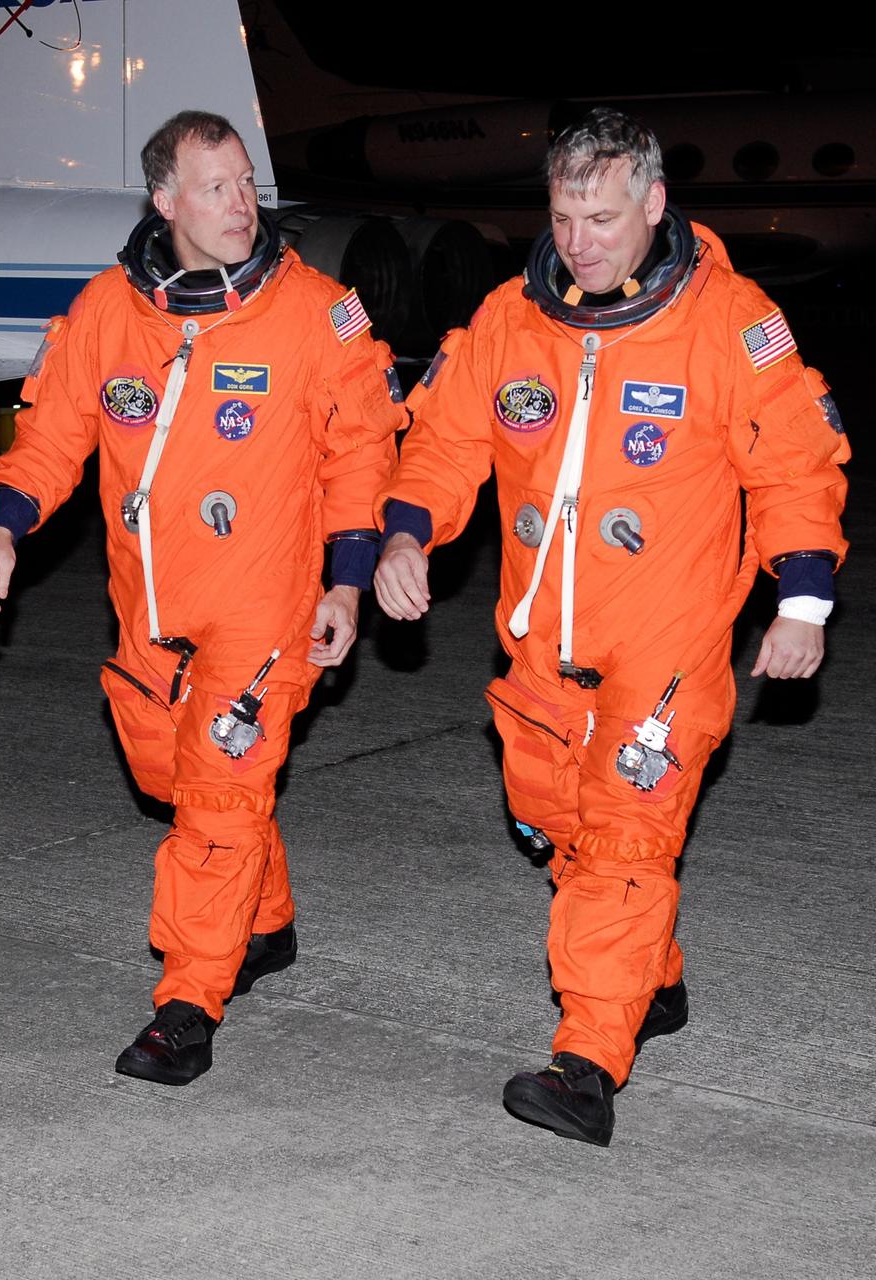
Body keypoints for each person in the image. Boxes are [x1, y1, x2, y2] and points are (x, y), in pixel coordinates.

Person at [373, 108, 848, 1146]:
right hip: (542, 647)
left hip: (666, 647)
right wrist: (406, 537)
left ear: (654, 204)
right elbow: (443, 442)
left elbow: (795, 464)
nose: (580, 240)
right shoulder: (509, 319)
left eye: (602, 216)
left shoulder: (732, 321)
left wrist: (802, 598)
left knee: (626, 835)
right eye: (563, 215)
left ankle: (586, 1056)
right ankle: (652, 978)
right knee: (567, 827)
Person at [0, 110, 404, 1087]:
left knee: (216, 796)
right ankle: (268, 917)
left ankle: (187, 1000)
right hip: (150, 611)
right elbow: (49, 435)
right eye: (216, 187)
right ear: (166, 202)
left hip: (266, 609)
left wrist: (346, 577)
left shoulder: (316, 313)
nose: (242, 203)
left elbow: (362, 450)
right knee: (177, 775)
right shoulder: (107, 314)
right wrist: (4, 525)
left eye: (248, 183)